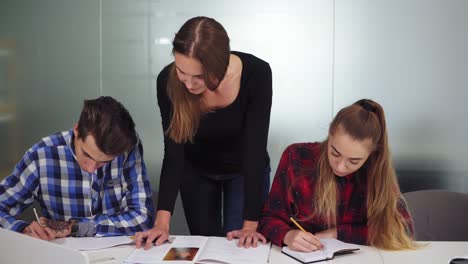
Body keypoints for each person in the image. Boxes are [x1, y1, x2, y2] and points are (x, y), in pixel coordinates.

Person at [135, 16, 272, 249]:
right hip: (195, 170)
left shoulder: (257, 73)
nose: (189, 84)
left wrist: (250, 224)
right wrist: (161, 222)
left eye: (199, 76)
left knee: (239, 246)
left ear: (221, 65)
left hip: (244, 171)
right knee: (206, 246)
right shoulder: (168, 82)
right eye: (181, 72)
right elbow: (174, 152)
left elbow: (254, 150)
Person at [258, 99, 416, 251]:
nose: (340, 167)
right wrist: (287, 235)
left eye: (354, 161)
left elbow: (403, 230)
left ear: (371, 154)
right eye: (334, 152)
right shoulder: (296, 157)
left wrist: (338, 233)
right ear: (329, 135)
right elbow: (268, 219)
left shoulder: (375, 172)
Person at [0, 96, 154, 239]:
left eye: (104, 162)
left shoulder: (126, 150)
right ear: (77, 130)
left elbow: (143, 218)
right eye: (87, 155)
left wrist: (76, 227)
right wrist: (21, 228)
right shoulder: (42, 155)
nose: (91, 168)